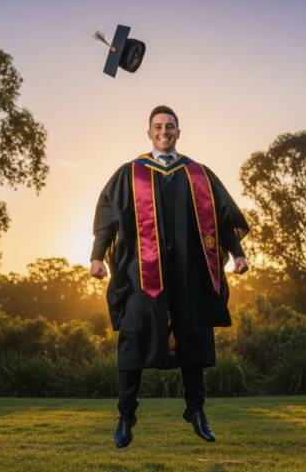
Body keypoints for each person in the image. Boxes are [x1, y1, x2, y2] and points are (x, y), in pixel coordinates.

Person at [90, 105, 250, 448]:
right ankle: (125, 417)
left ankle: (196, 411)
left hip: (189, 274)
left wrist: (238, 253)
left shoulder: (198, 174)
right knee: (133, 339)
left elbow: (223, 219)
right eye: (158, 127)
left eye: (170, 126)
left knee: (191, 338)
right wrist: (97, 257)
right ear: (148, 133)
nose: (164, 131)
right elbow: (108, 221)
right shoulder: (129, 174)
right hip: (140, 278)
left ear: (179, 132)